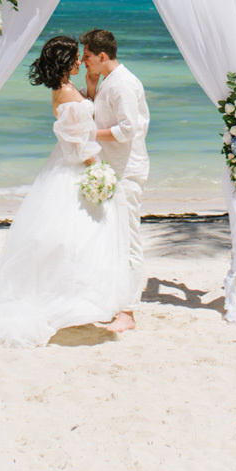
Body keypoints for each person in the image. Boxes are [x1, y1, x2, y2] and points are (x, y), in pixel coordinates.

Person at [0, 35, 131, 348]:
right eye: (76, 57)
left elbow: (85, 112)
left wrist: (90, 83)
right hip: (73, 168)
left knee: (68, 238)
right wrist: (97, 167)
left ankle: (73, 303)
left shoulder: (64, 89)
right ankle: (67, 303)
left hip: (63, 167)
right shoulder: (67, 93)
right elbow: (76, 142)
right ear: (67, 62)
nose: (81, 60)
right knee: (77, 237)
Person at [81, 27, 149, 332]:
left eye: (87, 56)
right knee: (113, 239)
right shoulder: (109, 82)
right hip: (113, 170)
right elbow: (106, 115)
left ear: (102, 56)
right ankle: (117, 303)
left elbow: (126, 130)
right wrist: (92, 89)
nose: (84, 61)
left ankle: (129, 312)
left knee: (129, 240)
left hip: (126, 171)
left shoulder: (123, 84)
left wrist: (89, 134)